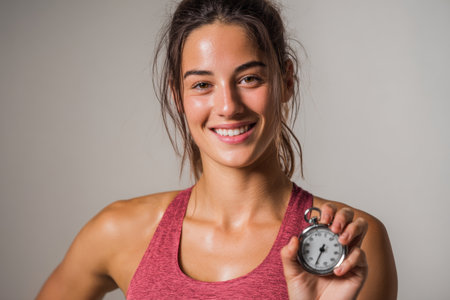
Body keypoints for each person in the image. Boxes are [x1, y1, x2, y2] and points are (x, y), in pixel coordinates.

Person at [37, 0, 397, 299]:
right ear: (178, 96)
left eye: (249, 79)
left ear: (285, 81)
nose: (228, 106)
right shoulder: (120, 231)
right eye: (202, 84)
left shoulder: (350, 248)